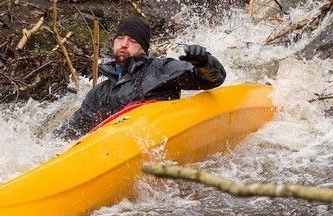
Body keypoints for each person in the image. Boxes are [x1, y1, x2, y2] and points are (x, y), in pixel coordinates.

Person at [57, 15, 226, 139]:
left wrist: (204, 62)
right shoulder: (99, 93)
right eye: (120, 38)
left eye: (132, 40)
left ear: (143, 49)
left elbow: (210, 80)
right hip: (115, 147)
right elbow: (72, 131)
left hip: (157, 139)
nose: (124, 44)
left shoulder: (160, 68)